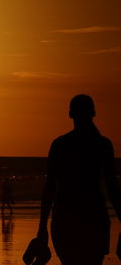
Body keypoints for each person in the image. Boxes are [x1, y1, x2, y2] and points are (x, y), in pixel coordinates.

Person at [36, 94, 121, 264]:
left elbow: (50, 187)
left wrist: (42, 226)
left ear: (70, 114)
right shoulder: (102, 144)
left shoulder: (60, 145)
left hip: (65, 218)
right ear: (93, 113)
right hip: (94, 217)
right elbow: (113, 188)